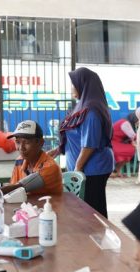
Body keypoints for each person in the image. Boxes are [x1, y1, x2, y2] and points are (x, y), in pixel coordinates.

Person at [48, 67, 114, 217]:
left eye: (73, 84)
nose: (71, 88)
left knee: (92, 212)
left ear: (83, 84)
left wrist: (77, 169)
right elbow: (75, 134)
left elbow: (89, 144)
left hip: (92, 170)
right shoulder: (83, 106)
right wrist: (58, 150)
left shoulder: (91, 111)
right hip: (84, 168)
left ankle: (98, 239)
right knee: (84, 211)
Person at [1, 120, 63, 197]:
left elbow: (18, 187)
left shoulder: (50, 167)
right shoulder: (20, 161)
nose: (21, 148)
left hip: (51, 208)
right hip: (28, 207)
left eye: (26, 142)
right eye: (18, 142)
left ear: (40, 143)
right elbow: (12, 192)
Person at [111, 112, 138, 177]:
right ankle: (115, 170)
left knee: (131, 148)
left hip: (116, 143)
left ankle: (116, 170)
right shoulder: (125, 123)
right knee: (130, 150)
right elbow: (133, 136)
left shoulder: (124, 122)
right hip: (113, 143)